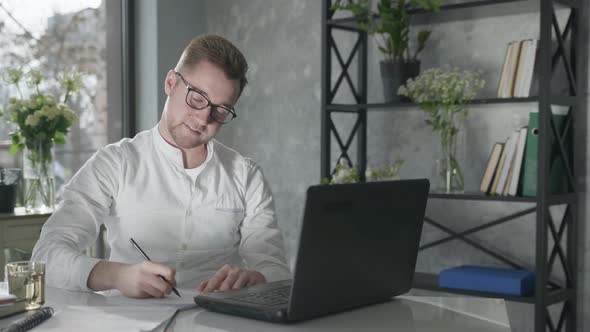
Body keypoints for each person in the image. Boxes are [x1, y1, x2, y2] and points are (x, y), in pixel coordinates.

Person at [31, 34, 290, 298]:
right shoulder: (114, 163)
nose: (203, 118)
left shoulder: (246, 176)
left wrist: (257, 277)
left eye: (220, 110)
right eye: (197, 97)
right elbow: (45, 258)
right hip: (128, 321)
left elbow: (276, 270)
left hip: (218, 322)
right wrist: (116, 275)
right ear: (170, 83)